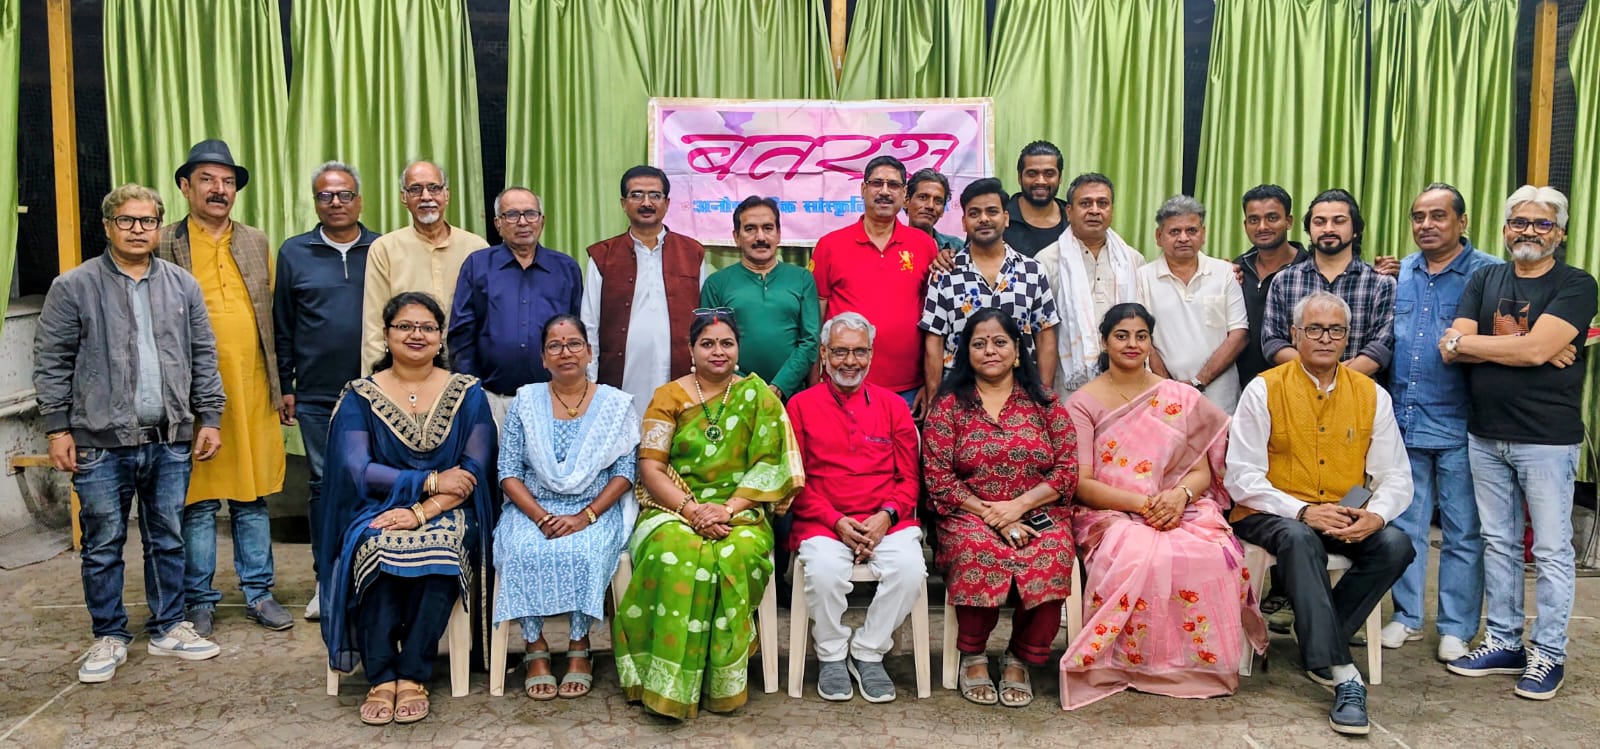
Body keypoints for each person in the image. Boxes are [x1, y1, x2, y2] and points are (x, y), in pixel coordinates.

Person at [35, 184, 227, 682]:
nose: (138, 230)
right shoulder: (73, 286)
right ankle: (109, 635)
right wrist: (57, 428)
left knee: (167, 538)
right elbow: (52, 361)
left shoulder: (182, 286)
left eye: (147, 221)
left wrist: (210, 417)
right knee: (103, 543)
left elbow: (203, 355)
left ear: (159, 226)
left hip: (170, 438)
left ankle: (168, 627)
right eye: (127, 221)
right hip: (99, 442)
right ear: (108, 226)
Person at [1059, 303, 1267, 708]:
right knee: (1137, 554)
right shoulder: (1082, 403)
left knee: (1212, 554)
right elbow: (1082, 484)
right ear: (1104, 342)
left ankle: (1196, 667)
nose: (1132, 344)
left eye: (1141, 336)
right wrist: (1145, 504)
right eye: (1122, 336)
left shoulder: (1178, 396)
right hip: (1110, 512)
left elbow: (1201, 469)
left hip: (1178, 505)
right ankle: (1126, 665)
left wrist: (1178, 496)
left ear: (1151, 342)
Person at [1225, 292, 1415, 736]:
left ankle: (1320, 638)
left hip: (1342, 510)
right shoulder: (1264, 388)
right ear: (1295, 334)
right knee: (1299, 537)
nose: (1325, 338)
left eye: (1335, 330)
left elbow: (1395, 475)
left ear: (1348, 338)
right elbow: (1242, 476)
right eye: (1314, 329)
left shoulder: (1371, 394)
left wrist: (1377, 515)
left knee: (1395, 544)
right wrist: (1303, 510)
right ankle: (1343, 673)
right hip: (1270, 509)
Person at [1441, 186, 1597, 700]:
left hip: (1545, 440)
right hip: (1485, 434)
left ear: (1561, 232)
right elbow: (1451, 347)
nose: (1529, 231)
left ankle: (1548, 652)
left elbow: (1521, 350)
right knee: (1499, 543)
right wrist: (1525, 345)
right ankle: (1505, 642)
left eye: (1542, 223)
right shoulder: (1485, 278)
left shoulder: (1576, 284)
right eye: (1519, 222)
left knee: (1550, 550)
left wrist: (1492, 345)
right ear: (1505, 228)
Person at [318, 292, 498, 726]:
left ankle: (414, 672)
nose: (416, 334)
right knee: (378, 547)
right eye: (405, 326)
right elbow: (359, 470)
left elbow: (472, 470)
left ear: (440, 337)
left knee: (440, 550)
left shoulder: (467, 392)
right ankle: (382, 674)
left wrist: (422, 511)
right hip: (376, 506)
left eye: (427, 327)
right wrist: (430, 480)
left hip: (451, 509)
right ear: (386, 335)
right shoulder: (361, 395)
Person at [612, 309, 803, 719]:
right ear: (690, 350)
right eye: (708, 343)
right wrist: (692, 510)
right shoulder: (668, 397)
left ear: (738, 349)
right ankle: (667, 680)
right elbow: (651, 468)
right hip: (672, 507)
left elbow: (770, 465)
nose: (718, 351)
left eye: (727, 343)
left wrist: (728, 509)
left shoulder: (758, 397)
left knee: (738, 553)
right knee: (673, 554)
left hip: (741, 510)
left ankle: (719, 680)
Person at [156, 139, 290, 635]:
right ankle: (199, 599)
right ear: (185, 186)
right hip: (190, 396)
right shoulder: (164, 242)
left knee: (252, 498)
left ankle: (259, 593)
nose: (219, 190)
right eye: (207, 180)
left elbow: (273, 316)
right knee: (198, 500)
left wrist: (282, 385)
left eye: (228, 182)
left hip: (251, 386)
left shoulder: (255, 240)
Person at [923, 308, 1078, 708]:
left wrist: (1019, 506)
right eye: (979, 344)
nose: (989, 350)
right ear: (965, 352)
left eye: (999, 342)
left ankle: (1020, 658)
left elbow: (1066, 470)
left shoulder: (1045, 403)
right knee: (978, 549)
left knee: (1052, 552)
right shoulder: (948, 407)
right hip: (968, 514)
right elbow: (938, 477)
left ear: (1017, 350)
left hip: (1038, 511)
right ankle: (973, 654)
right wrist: (994, 515)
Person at [1381, 183, 1500, 661]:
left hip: (1463, 425)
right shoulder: (1402, 273)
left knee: (1462, 531)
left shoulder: (1490, 274)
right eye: (1418, 217)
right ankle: (1407, 617)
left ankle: (1456, 627)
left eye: (1438, 216)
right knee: (1404, 526)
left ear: (1462, 222)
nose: (1426, 225)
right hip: (1404, 421)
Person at [494, 314, 638, 700]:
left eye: (574, 343)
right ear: (544, 358)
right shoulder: (525, 402)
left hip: (595, 509)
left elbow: (625, 473)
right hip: (533, 508)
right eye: (554, 346)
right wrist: (540, 516)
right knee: (521, 550)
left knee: (584, 551)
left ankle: (579, 644)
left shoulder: (615, 404)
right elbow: (508, 471)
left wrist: (584, 516)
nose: (565, 352)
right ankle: (534, 645)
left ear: (589, 352)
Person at [786, 312, 925, 703]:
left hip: (885, 521)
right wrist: (837, 521)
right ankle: (831, 653)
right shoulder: (799, 406)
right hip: (824, 521)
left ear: (871, 354)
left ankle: (868, 651)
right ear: (824, 354)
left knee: (910, 570)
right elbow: (795, 481)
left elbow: (909, 480)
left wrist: (885, 517)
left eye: (860, 351)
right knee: (825, 572)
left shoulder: (893, 406)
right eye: (840, 352)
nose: (850, 361)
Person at [274, 160, 381, 622]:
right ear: (315, 202)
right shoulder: (294, 252)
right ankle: (328, 581)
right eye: (325, 195)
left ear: (360, 199)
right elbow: (283, 324)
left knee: (375, 482)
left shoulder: (382, 248)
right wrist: (286, 384)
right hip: (316, 394)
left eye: (344, 194)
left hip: (377, 392)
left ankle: (373, 578)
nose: (336, 203)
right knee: (324, 485)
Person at [811, 155, 939, 415]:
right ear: (863, 189)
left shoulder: (924, 245)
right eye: (877, 183)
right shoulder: (830, 245)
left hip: (908, 390)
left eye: (893, 185)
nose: (884, 191)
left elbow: (933, 322)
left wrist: (930, 384)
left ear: (904, 194)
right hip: (843, 384)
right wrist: (815, 385)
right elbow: (815, 323)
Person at [582, 165, 711, 413]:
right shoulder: (603, 256)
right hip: (619, 381)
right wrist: (590, 382)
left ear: (667, 203)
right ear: (623, 203)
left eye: (655, 195)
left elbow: (703, 321)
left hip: (680, 378)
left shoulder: (692, 253)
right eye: (637, 195)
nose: (646, 203)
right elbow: (589, 324)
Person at [448, 187, 582, 423]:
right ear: (498, 224)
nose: (522, 222)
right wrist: (473, 393)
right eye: (511, 215)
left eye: (530, 213)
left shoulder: (566, 269)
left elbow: (578, 332)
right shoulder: (478, 266)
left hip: (553, 399)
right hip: (492, 398)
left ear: (542, 220)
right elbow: (461, 335)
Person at [920, 177, 1060, 395]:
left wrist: (1044, 395)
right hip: (959, 396)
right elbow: (934, 342)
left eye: (992, 211)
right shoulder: (945, 273)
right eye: (974, 213)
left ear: (1006, 218)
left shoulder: (1032, 271)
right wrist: (934, 400)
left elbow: (1045, 336)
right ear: (964, 222)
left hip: (1021, 394)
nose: (984, 219)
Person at [360, 160, 489, 373]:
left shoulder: (476, 248)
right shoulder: (385, 249)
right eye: (415, 189)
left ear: (446, 194)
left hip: (466, 370)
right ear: (404, 197)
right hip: (405, 370)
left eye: (434, 188)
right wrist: (377, 382)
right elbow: (374, 326)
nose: (426, 196)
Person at [1260, 189, 1394, 378]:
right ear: (1309, 229)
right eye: (1319, 222)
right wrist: (1317, 374)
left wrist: (1338, 380)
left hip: (1359, 390)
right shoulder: (1284, 280)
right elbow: (1272, 341)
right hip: (1297, 390)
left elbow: (1381, 346)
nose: (1328, 229)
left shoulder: (1381, 283)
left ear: (1355, 230)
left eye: (1339, 221)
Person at [700, 196, 820, 401]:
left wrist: (780, 385)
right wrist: (746, 387)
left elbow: (810, 340)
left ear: (779, 234)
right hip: (733, 395)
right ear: (736, 237)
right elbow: (709, 343)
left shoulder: (802, 279)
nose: (760, 237)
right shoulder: (716, 283)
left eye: (768, 228)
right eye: (750, 229)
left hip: (791, 395)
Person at [1035, 173, 1144, 398]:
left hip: (1125, 383)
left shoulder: (1132, 260)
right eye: (1085, 203)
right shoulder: (1046, 262)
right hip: (1068, 384)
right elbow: (1042, 332)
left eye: (1102, 203)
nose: (1094, 210)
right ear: (1069, 211)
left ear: (1111, 210)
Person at [1138, 195, 1249, 411]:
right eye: (1174, 232)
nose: (1183, 238)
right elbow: (1142, 338)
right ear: (1159, 236)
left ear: (1203, 234)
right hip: (1163, 396)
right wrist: (1170, 387)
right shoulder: (1142, 277)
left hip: (1221, 399)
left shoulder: (1225, 273)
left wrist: (1198, 381)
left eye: (1191, 230)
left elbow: (1239, 334)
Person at [1233, 185, 1310, 387]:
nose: (1262, 227)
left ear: (1289, 221)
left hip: (1298, 384)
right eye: (1254, 220)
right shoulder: (1236, 269)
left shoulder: (1311, 269)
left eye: (1272, 218)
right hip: (1243, 387)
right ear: (1245, 224)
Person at [1003, 141, 1070, 257]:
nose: (1040, 181)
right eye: (1032, 174)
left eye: (1049, 174)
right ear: (1019, 177)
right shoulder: (998, 219)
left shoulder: (1074, 220)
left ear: (1060, 178)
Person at [905, 168, 965, 251]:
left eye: (938, 201)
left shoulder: (956, 247)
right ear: (906, 201)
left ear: (943, 210)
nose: (930, 206)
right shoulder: (889, 245)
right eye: (923, 197)